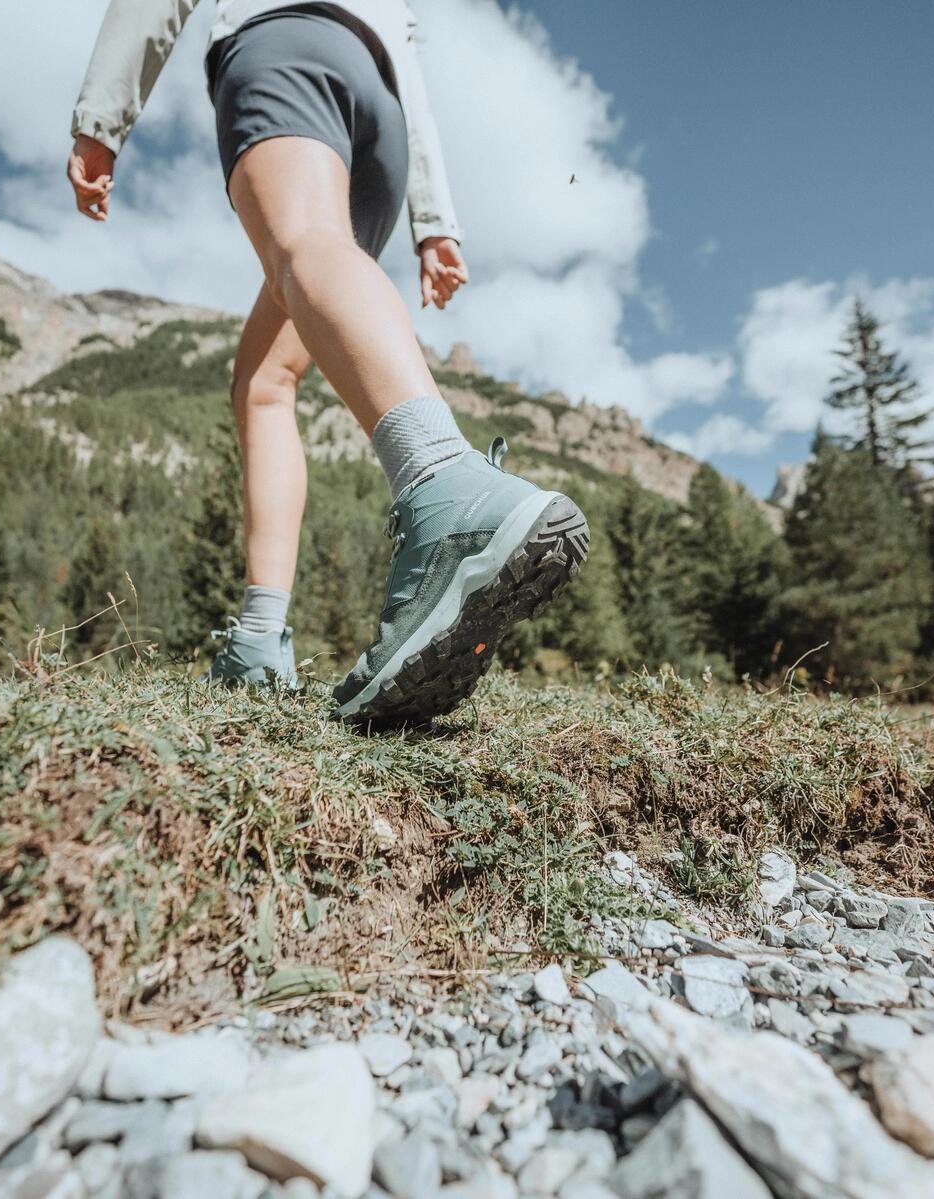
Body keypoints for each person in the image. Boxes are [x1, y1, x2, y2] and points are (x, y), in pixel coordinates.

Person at [68, 0, 588, 723]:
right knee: (263, 379)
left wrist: (101, 118)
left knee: (305, 243)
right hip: (382, 120)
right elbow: (411, 75)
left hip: (286, 44)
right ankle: (257, 639)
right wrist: (435, 224)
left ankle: (442, 480)